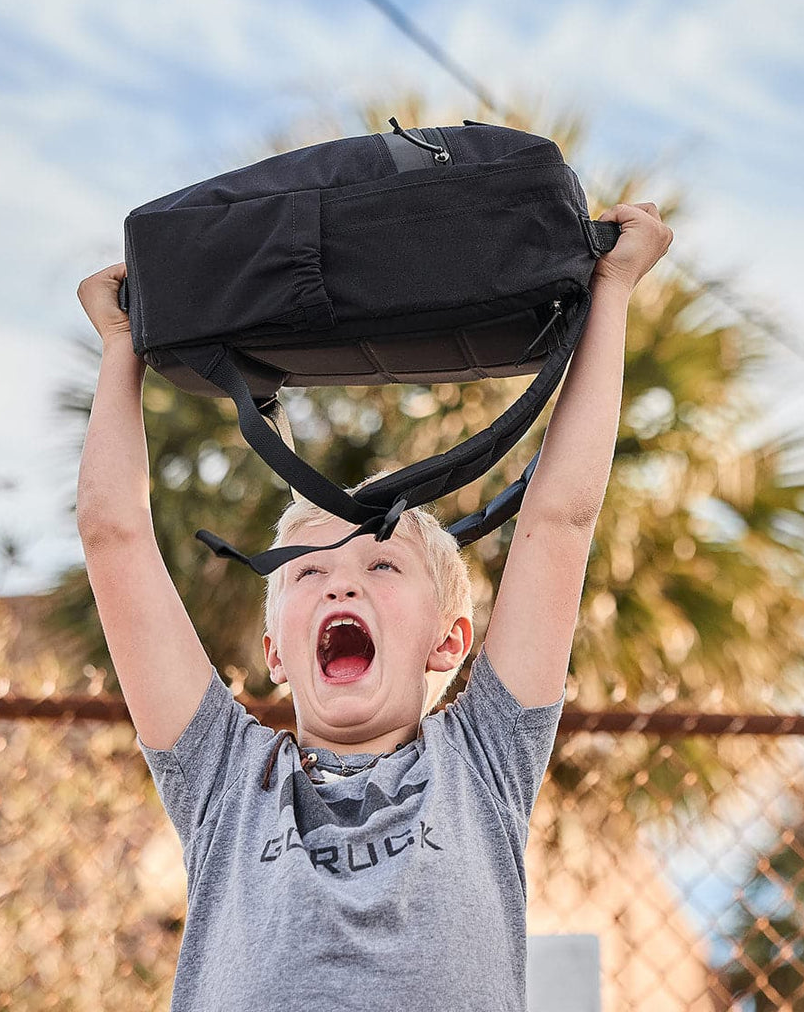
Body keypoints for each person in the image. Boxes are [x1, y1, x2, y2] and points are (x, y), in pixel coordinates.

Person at [75, 202, 672, 1012]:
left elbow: (560, 519)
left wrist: (613, 289)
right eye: (308, 569)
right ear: (276, 651)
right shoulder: (221, 776)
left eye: (382, 563)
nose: (340, 582)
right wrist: (120, 351)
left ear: (449, 639)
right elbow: (115, 539)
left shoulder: (486, 760)